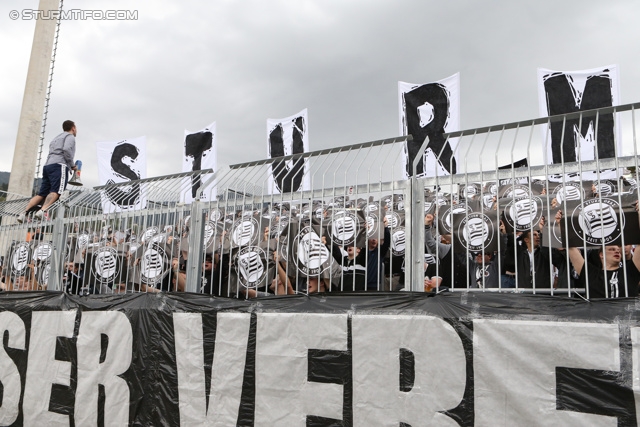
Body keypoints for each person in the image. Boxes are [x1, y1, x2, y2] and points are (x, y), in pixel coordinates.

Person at [18, 120, 77, 223]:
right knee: (57, 191)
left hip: (48, 166)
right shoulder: (70, 137)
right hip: (59, 165)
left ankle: (24, 213)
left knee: (42, 193)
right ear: (73, 128)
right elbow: (67, 149)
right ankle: (43, 210)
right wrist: (72, 165)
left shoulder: (56, 138)